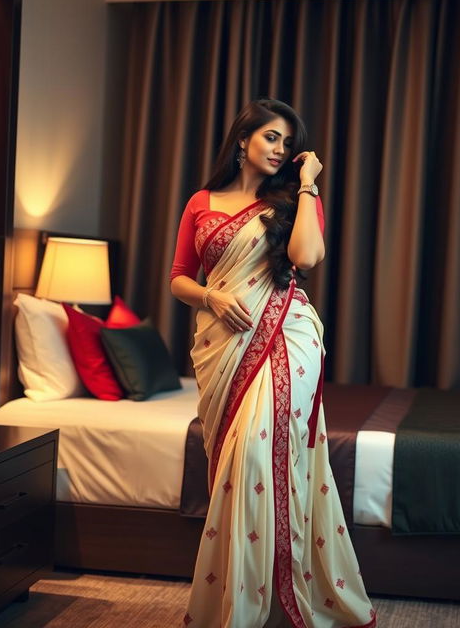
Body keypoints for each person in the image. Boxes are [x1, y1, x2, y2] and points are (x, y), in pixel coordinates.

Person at [170, 99, 376, 628]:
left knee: (259, 456)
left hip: (287, 336)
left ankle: (270, 600)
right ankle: (240, 598)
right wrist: (211, 299)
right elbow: (178, 279)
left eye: (288, 142)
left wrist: (307, 182)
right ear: (243, 140)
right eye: (271, 137)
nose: (281, 149)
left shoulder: (292, 200)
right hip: (221, 343)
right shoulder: (200, 201)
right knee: (240, 463)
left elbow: (306, 259)